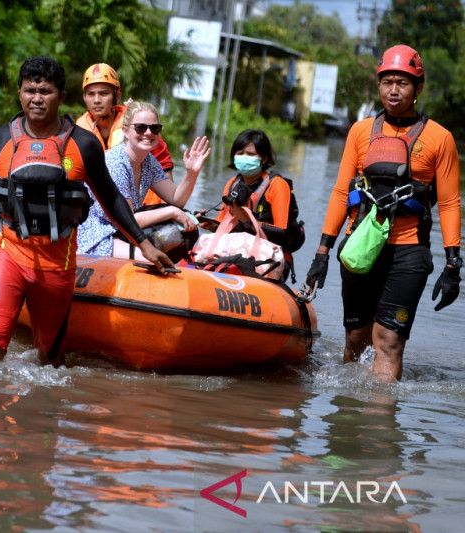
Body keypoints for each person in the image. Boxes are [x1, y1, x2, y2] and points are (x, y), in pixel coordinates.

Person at [0, 56, 174, 366]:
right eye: (29, 90)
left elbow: (111, 199)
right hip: (7, 253)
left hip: (58, 263)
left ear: (61, 96)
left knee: (51, 360)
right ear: (19, 93)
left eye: (46, 91)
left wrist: (144, 244)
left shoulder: (84, 144)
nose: (37, 98)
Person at [304, 44, 461, 382]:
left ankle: (379, 430)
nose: (393, 90)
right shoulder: (360, 132)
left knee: (388, 341)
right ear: (378, 85)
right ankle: (347, 419)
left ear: (418, 88)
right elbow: (341, 192)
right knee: (356, 340)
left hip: (409, 251)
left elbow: (449, 203)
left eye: (402, 83)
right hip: (360, 246)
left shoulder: (440, 139)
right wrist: (322, 252)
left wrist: (453, 264)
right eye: (386, 81)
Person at [76, 101, 210, 258]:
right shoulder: (116, 163)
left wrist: (191, 173)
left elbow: (176, 199)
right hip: (98, 235)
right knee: (152, 260)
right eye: (140, 127)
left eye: (154, 128)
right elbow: (127, 219)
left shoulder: (148, 161)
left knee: (180, 232)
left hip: (123, 231)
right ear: (125, 131)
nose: (148, 133)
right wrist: (172, 212)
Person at [207, 129, 303, 282]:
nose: (244, 158)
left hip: (270, 258)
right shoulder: (232, 184)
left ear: (263, 158)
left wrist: (247, 221)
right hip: (237, 253)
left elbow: (282, 234)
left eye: (250, 154)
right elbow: (222, 224)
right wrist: (201, 221)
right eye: (240, 153)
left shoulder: (277, 185)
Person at [76, 63, 174, 205]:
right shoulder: (80, 129)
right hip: (102, 203)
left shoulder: (140, 123)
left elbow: (163, 165)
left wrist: (168, 207)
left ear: (117, 95)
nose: (97, 100)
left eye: (103, 93)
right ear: (84, 97)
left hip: (145, 203)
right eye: (91, 94)